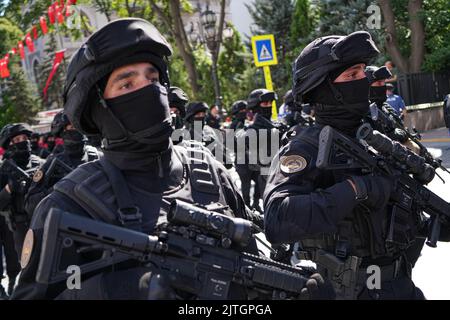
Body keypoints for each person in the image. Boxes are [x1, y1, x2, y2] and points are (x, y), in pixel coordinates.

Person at [11, 18, 263, 300]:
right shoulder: (70, 204)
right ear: (98, 109)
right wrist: (113, 290)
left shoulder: (209, 171)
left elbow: (252, 263)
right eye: (127, 84)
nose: (149, 91)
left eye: (153, 79)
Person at [264, 31, 428, 300]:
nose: (363, 81)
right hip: (345, 291)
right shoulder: (306, 146)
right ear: (323, 87)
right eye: (352, 75)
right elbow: (278, 218)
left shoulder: (375, 138)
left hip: (401, 287)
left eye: (363, 72)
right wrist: (357, 188)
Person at [24, 111, 102, 216]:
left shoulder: (98, 157)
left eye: (80, 126)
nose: (78, 130)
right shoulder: (52, 164)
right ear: (63, 132)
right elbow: (30, 205)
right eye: (73, 127)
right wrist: (56, 189)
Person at [235, 88, 286, 211]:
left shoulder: (276, 124)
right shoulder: (251, 129)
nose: (268, 106)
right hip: (266, 175)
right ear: (256, 106)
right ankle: (246, 208)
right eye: (265, 103)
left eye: (270, 103)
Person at [0, 124, 44, 255]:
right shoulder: (4, 170)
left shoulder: (42, 164)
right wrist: (9, 188)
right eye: (17, 140)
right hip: (20, 225)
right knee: (28, 264)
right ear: (10, 144)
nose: (22, 142)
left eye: (24, 138)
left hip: (43, 220)